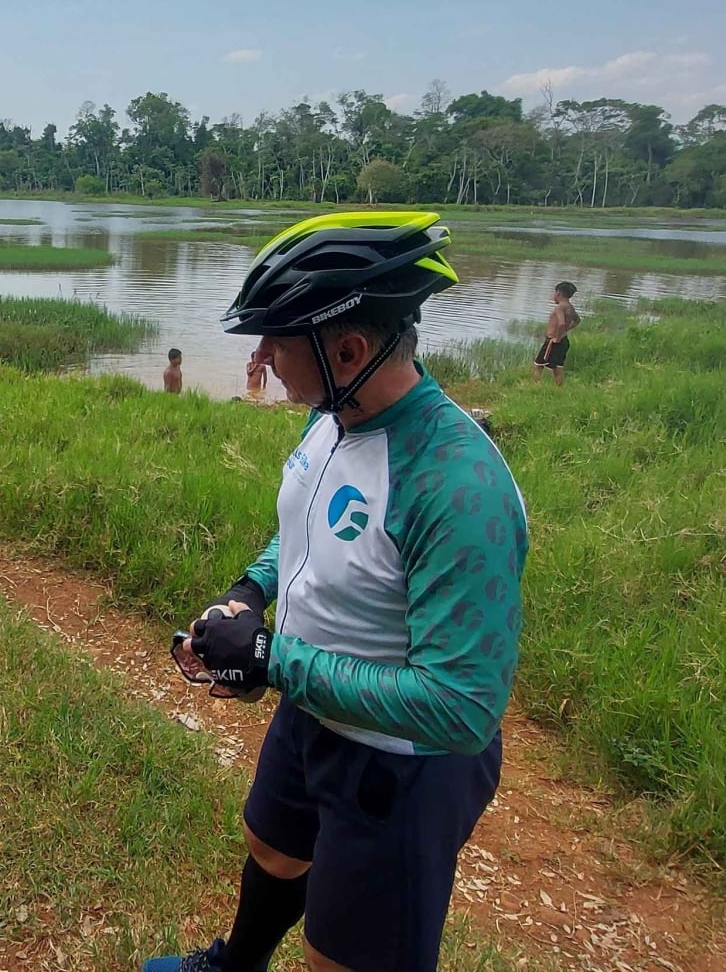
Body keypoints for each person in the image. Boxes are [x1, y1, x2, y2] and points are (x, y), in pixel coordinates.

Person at [145, 212, 527, 972]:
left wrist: (274, 660)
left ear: (347, 348)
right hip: (313, 712)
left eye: (274, 342)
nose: (259, 359)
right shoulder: (333, 416)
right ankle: (234, 964)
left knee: (340, 957)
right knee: (272, 844)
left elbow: (462, 705)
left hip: (402, 764)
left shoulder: (458, 485)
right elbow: (305, 527)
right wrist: (249, 593)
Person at [532, 280, 580, 385]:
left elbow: (561, 323)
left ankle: (536, 387)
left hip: (553, 341)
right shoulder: (570, 308)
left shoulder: (559, 307)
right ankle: (559, 388)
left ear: (558, 293)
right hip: (564, 340)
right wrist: (565, 330)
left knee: (538, 365)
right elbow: (577, 321)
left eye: (554, 293)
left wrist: (557, 337)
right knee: (558, 367)